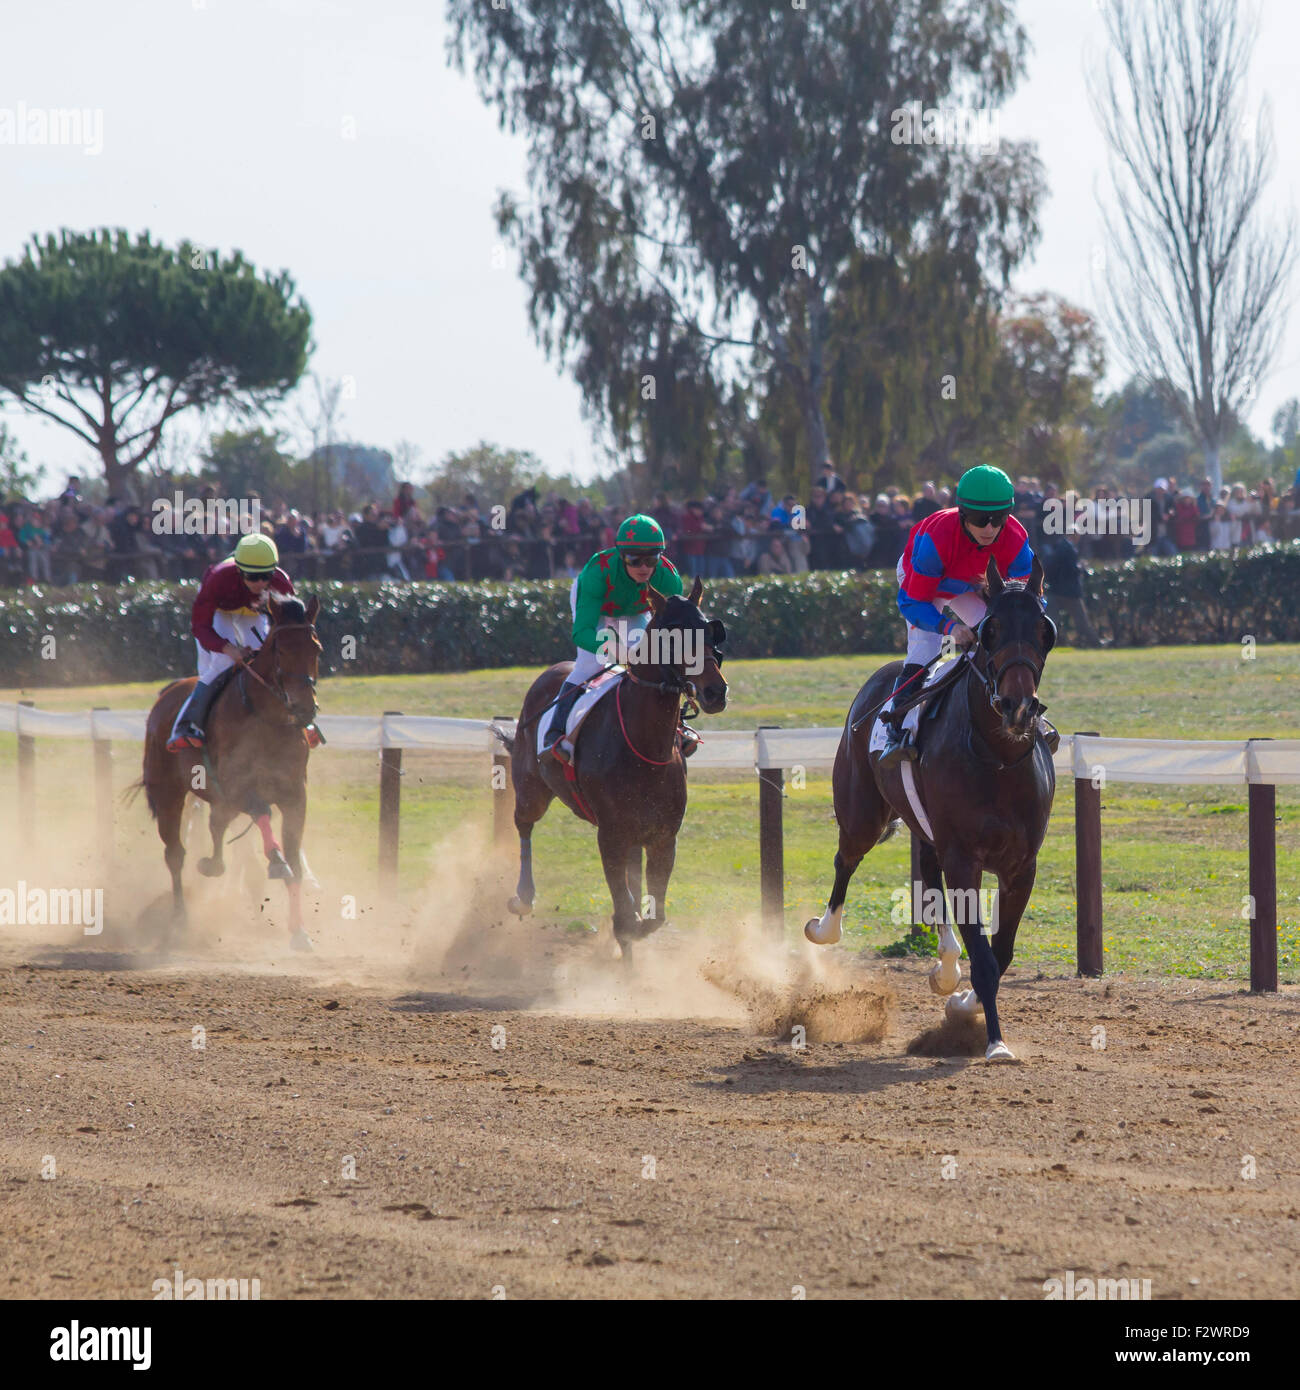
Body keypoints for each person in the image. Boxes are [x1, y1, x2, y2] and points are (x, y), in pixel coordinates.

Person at [878, 464, 1042, 769]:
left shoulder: (1017, 539)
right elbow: (912, 603)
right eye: (981, 519)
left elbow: (1024, 605)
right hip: (926, 583)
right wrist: (949, 627)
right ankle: (896, 732)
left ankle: (1027, 712)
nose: (990, 529)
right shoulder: (936, 540)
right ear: (963, 513)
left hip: (970, 582)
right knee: (926, 650)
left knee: (1002, 637)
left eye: (999, 519)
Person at [539, 514, 685, 767]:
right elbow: (582, 632)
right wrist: (611, 647)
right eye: (634, 559)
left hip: (633, 611)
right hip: (597, 608)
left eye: (651, 559)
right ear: (621, 555)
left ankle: (680, 727)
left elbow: (676, 631)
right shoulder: (597, 573)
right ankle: (556, 731)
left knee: (653, 663)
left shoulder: (669, 579)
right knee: (589, 664)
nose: (643, 568)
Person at [167, 533, 322, 752]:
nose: (260, 583)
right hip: (220, 613)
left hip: (251, 613)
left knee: (270, 658)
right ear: (239, 570)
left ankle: (303, 720)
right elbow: (200, 627)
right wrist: (226, 647)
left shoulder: (281, 583)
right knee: (223, 663)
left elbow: (287, 632)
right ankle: (186, 725)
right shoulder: (218, 578)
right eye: (252, 576)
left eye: (266, 575)